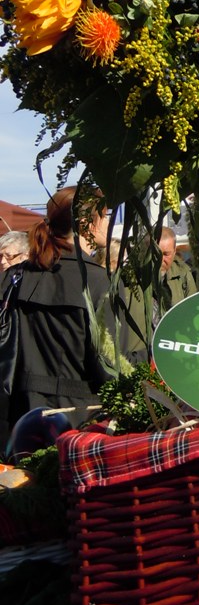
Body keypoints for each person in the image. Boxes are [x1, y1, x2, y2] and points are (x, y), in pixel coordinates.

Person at [0, 187, 115, 444]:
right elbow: (111, 366)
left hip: (18, 419)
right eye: (104, 216)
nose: (107, 223)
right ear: (87, 223)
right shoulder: (99, 282)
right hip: (80, 422)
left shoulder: (13, 277)